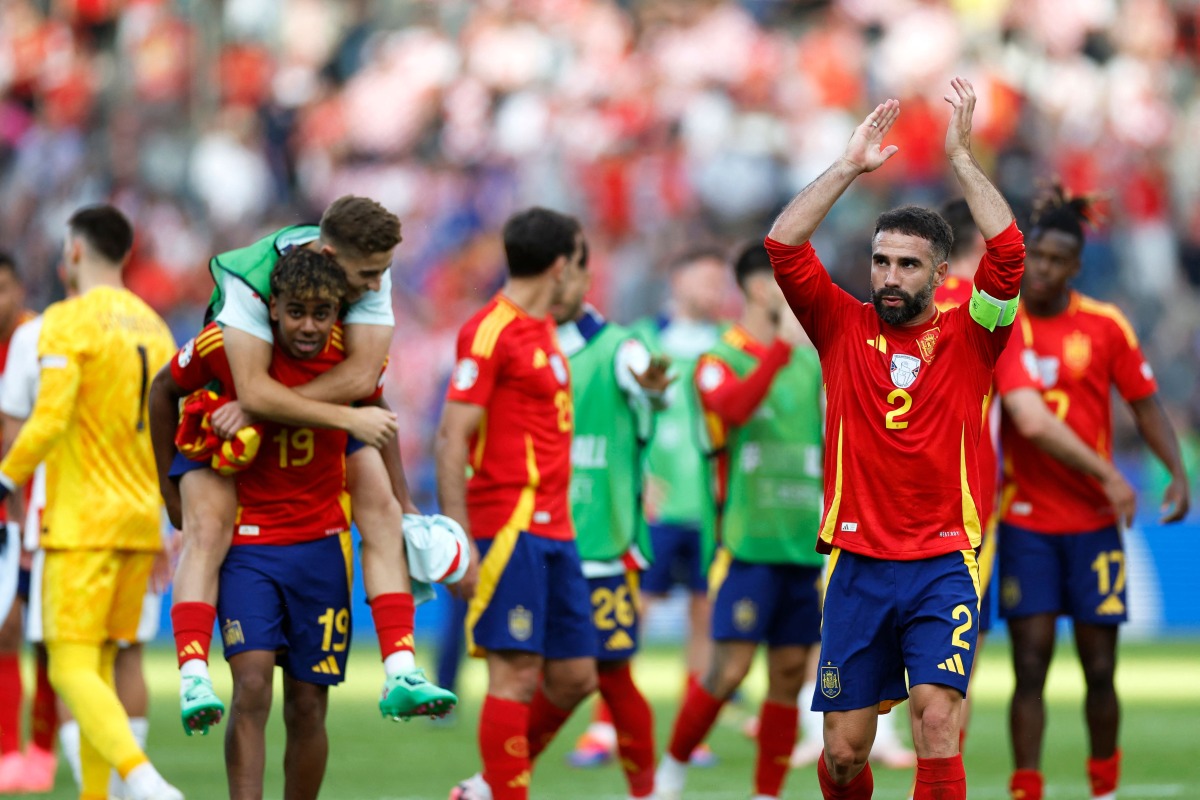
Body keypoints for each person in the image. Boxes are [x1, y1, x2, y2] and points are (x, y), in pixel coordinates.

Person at [765, 78, 1023, 800]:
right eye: (881, 261)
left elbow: (1008, 252)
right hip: (857, 565)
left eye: (907, 264)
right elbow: (783, 245)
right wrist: (848, 167)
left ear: (942, 274)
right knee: (845, 754)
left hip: (943, 559)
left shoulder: (974, 335)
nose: (889, 276)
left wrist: (963, 162)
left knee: (937, 720)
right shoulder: (840, 326)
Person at [163, 195, 453, 734]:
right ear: (326, 254)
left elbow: (365, 383)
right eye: (366, 274)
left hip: (298, 415)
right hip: (226, 422)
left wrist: (407, 498)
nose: (375, 285)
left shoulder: (368, 274)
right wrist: (169, 486)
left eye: (382, 272)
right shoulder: (250, 283)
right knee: (206, 529)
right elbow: (246, 388)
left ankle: (401, 670)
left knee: (383, 508)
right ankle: (193, 675)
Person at [153, 248, 389, 799]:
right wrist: (171, 489)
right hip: (250, 544)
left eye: (321, 312)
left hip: (322, 545)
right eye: (296, 311)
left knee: (308, 706)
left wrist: (403, 501)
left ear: (337, 312)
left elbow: (379, 421)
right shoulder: (226, 342)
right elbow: (162, 389)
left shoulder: (353, 358)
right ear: (272, 308)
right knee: (252, 685)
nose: (308, 326)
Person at [993, 184, 1190, 800]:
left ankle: (1103, 787)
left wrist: (1177, 473)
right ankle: (1028, 786)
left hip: (1092, 521)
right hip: (1023, 516)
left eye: (1056, 261)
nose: (1043, 270)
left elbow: (1145, 403)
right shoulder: (998, 323)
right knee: (1030, 664)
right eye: (1036, 258)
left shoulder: (1105, 326)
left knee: (1100, 667)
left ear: (1076, 267)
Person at [0, 205, 182, 800]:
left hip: (80, 523)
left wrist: (5, 480)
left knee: (69, 667)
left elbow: (50, 415)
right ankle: (97, 796)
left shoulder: (66, 321)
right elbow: (166, 431)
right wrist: (163, 519)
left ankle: (146, 782)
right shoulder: (155, 328)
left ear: (74, 252)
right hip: (136, 520)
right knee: (102, 665)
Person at [654, 242, 824, 800]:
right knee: (727, 672)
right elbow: (731, 410)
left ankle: (767, 793)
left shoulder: (809, 362)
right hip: (746, 544)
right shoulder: (719, 357)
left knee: (788, 674)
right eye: (788, 284)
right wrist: (776, 350)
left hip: (802, 548)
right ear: (759, 288)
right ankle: (671, 772)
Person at [439, 207, 596, 800]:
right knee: (516, 675)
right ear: (560, 265)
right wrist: (458, 536)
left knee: (577, 676)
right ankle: (505, 790)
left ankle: (488, 783)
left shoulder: (543, 327)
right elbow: (451, 435)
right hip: (509, 525)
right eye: (578, 263)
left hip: (556, 530)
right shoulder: (490, 329)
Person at [518, 238, 669, 799]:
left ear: (586, 278)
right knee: (520, 672)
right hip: (528, 537)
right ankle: (498, 779)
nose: (558, 288)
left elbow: (647, 382)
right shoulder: (515, 342)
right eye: (548, 276)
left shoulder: (617, 348)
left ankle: (646, 790)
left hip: (599, 546)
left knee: (608, 674)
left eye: (568, 276)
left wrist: (653, 387)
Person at [575, 248, 726, 769]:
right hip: (654, 505)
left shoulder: (729, 344)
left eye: (719, 279)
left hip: (711, 508)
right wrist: (634, 482)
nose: (714, 287)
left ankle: (693, 731)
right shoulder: (638, 341)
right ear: (677, 279)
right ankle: (602, 728)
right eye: (705, 276)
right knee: (628, 612)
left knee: (704, 616)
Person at [0, 253, 45, 794]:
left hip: (37, 508)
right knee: (8, 631)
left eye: (3, 286)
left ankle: (39, 748)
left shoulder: (37, 341)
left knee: (42, 636)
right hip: (7, 507)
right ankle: (12, 749)